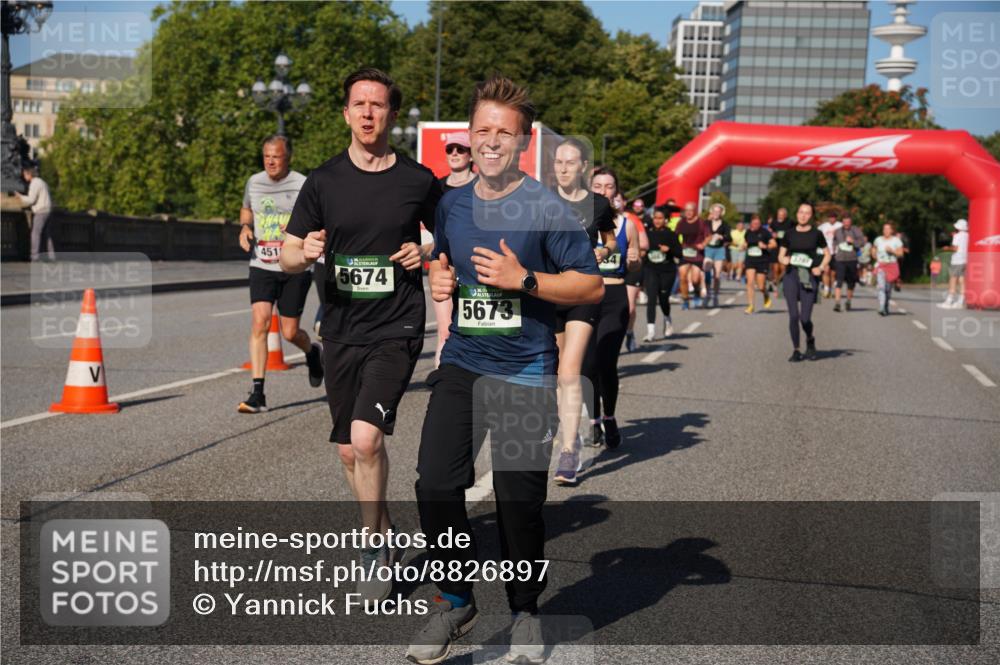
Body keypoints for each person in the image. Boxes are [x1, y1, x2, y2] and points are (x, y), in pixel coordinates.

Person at [407, 75, 603, 665]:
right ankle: (456, 600)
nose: (492, 141)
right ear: (470, 135)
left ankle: (525, 612)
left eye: (505, 133)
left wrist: (525, 280)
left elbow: (590, 286)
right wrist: (437, 277)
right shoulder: (452, 202)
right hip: (465, 360)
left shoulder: (545, 207)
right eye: (483, 130)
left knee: (519, 504)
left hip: (525, 370)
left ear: (523, 142)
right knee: (435, 483)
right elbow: (444, 263)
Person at [281, 68, 441, 601]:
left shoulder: (418, 181)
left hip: (396, 326)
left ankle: (372, 547)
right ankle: (386, 531)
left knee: (368, 438)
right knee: (350, 452)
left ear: (391, 114)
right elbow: (286, 252)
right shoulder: (322, 182)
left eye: (378, 104)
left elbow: (450, 238)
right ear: (346, 113)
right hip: (341, 329)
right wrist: (300, 254)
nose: (369, 112)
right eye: (359, 104)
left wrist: (429, 251)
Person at [236, 135, 322, 414]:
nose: (271, 161)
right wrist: (245, 228)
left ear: (288, 158)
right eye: (266, 156)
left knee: (289, 332)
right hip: (261, 262)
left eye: (277, 156)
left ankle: (312, 353)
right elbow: (247, 209)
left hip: (294, 265)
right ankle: (257, 393)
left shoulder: (302, 183)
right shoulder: (254, 182)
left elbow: (317, 217)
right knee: (259, 322)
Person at [551, 137, 615, 485]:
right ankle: (566, 431)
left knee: (570, 373)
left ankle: (569, 449)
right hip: (548, 293)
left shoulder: (598, 204)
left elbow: (609, 241)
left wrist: (602, 254)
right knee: (555, 373)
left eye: (570, 162)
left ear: (583, 168)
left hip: (583, 293)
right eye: (558, 162)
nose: (562, 168)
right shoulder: (541, 200)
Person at [588, 167, 641, 448]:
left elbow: (635, 266)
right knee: (588, 365)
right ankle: (593, 420)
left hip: (614, 295)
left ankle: (609, 416)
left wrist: (633, 259)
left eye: (609, 186)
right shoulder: (580, 219)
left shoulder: (626, 224)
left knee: (606, 362)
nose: (603, 191)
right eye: (597, 185)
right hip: (584, 295)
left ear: (616, 192)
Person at [432, 132, 477, 367]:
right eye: (450, 149)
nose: (455, 154)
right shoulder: (437, 188)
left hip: (474, 266)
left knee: (475, 331)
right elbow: (433, 230)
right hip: (445, 264)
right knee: (445, 331)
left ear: (471, 155)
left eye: (461, 149)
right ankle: (441, 381)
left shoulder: (481, 186)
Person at [778, 203, 830, 361]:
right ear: (797, 213)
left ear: (811, 216)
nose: (803, 215)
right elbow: (781, 255)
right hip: (791, 275)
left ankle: (810, 340)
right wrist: (784, 259)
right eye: (801, 212)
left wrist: (820, 268)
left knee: (805, 318)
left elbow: (828, 254)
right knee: (793, 315)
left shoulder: (817, 234)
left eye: (807, 213)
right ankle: (796, 350)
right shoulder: (789, 234)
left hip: (809, 276)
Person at [642, 207, 682, 340]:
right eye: (655, 218)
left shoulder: (671, 234)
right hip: (651, 269)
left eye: (660, 218)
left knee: (664, 298)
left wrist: (669, 249)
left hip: (667, 270)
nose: (657, 221)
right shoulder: (647, 233)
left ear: (665, 220)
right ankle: (651, 331)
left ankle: (667, 319)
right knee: (651, 298)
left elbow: (679, 254)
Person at [621, 195, 649, 352]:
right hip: (608, 269)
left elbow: (645, 244)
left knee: (630, 307)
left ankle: (630, 333)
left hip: (630, 266)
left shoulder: (632, 219)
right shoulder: (598, 214)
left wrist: (632, 248)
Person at [675, 201, 708, 309]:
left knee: (695, 279)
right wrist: (677, 246)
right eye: (686, 210)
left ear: (695, 211)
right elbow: (675, 235)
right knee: (683, 276)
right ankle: (685, 299)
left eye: (691, 210)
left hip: (697, 254)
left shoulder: (701, 222)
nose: (688, 212)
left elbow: (708, 236)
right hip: (685, 253)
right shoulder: (681, 222)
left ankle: (697, 292)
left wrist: (703, 244)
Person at [19, 164, 55, 262]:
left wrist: (20, 196)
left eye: (24, 175)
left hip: (41, 211)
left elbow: (31, 200)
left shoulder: (34, 184)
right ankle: (51, 256)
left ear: (29, 174)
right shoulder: (42, 182)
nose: (24, 177)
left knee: (35, 234)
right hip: (48, 210)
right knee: (47, 235)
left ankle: (34, 256)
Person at [831, 215, 866, 312]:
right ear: (842, 222)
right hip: (840, 259)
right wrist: (834, 248)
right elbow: (834, 241)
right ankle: (837, 303)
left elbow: (862, 242)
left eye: (848, 222)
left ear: (850, 222)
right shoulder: (838, 231)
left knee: (851, 282)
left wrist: (853, 241)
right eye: (844, 222)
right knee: (839, 281)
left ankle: (848, 301)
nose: (846, 224)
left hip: (852, 259)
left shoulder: (856, 230)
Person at [743, 214, 775, 314]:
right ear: (751, 223)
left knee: (760, 286)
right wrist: (744, 245)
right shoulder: (748, 232)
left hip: (762, 260)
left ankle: (766, 295)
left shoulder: (765, 232)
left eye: (758, 223)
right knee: (750, 282)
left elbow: (774, 244)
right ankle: (750, 305)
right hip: (750, 260)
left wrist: (765, 246)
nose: (756, 225)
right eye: (754, 223)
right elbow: (746, 242)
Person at [871, 222, 904, 316]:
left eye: (888, 229)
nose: (886, 231)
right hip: (881, 265)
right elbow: (874, 248)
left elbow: (901, 254)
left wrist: (892, 251)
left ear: (892, 230)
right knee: (881, 287)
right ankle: (881, 306)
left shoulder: (896, 240)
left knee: (888, 289)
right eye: (884, 229)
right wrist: (874, 254)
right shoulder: (878, 240)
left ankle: (886, 305)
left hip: (892, 265)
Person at [702, 202, 731, 308]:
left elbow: (729, 238)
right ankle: (707, 294)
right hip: (708, 249)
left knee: (717, 275)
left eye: (718, 211)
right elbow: (700, 234)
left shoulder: (725, 224)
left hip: (719, 250)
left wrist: (722, 237)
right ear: (711, 212)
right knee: (707, 272)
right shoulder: (706, 223)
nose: (716, 213)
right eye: (714, 211)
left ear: (721, 213)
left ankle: (715, 296)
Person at [938, 219, 969, 309]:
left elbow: (955, 248)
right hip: (965, 259)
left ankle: (949, 300)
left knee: (953, 279)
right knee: (962, 280)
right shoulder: (968, 235)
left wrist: (947, 248)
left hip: (957, 260)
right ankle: (961, 300)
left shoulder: (957, 236)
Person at [817, 211, 842, 298]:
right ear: (828, 218)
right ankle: (826, 289)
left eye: (834, 217)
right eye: (830, 217)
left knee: (833, 273)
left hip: (836, 252)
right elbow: (817, 236)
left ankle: (832, 289)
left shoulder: (840, 226)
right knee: (826, 270)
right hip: (825, 252)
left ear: (836, 218)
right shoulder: (823, 226)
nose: (832, 219)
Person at [769, 207, 792, 297]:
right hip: (776, 247)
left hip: (786, 247)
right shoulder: (774, 222)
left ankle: (778, 281)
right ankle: (777, 284)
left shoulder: (790, 222)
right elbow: (770, 231)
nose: (781, 216)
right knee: (776, 268)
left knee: (783, 268)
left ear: (785, 215)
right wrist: (772, 235)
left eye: (782, 215)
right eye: (779, 215)